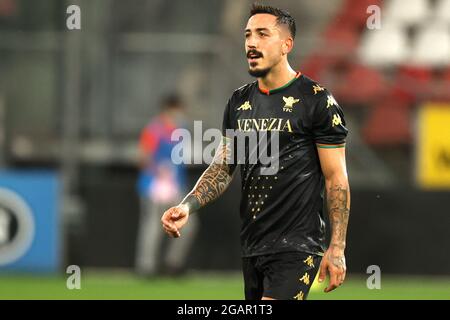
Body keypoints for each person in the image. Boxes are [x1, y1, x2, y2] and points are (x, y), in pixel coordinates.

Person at [161, 4, 350, 300]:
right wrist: (187, 206)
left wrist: (336, 247)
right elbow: (224, 167)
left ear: (287, 44)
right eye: (248, 34)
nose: (251, 42)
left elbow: (336, 177)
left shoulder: (316, 101)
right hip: (253, 246)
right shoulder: (239, 101)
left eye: (263, 34)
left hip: (297, 246)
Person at [136, 94, 198, 276]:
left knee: (189, 224)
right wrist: (159, 170)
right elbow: (142, 157)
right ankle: (146, 267)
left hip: (176, 186)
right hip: (154, 186)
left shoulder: (182, 130)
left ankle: (173, 264)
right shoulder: (154, 130)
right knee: (153, 225)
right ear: (170, 108)